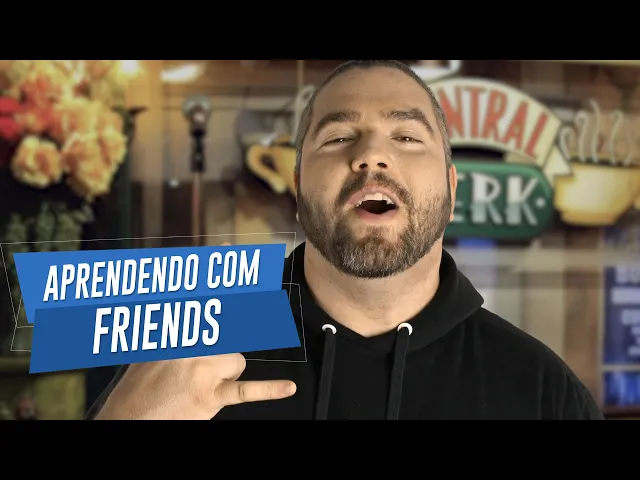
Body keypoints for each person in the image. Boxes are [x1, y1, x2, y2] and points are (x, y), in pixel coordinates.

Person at [87, 60, 605, 420]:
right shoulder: (181, 359)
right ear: (297, 187)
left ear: (451, 190)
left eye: (407, 137)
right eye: (338, 137)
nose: (372, 156)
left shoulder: (544, 391)